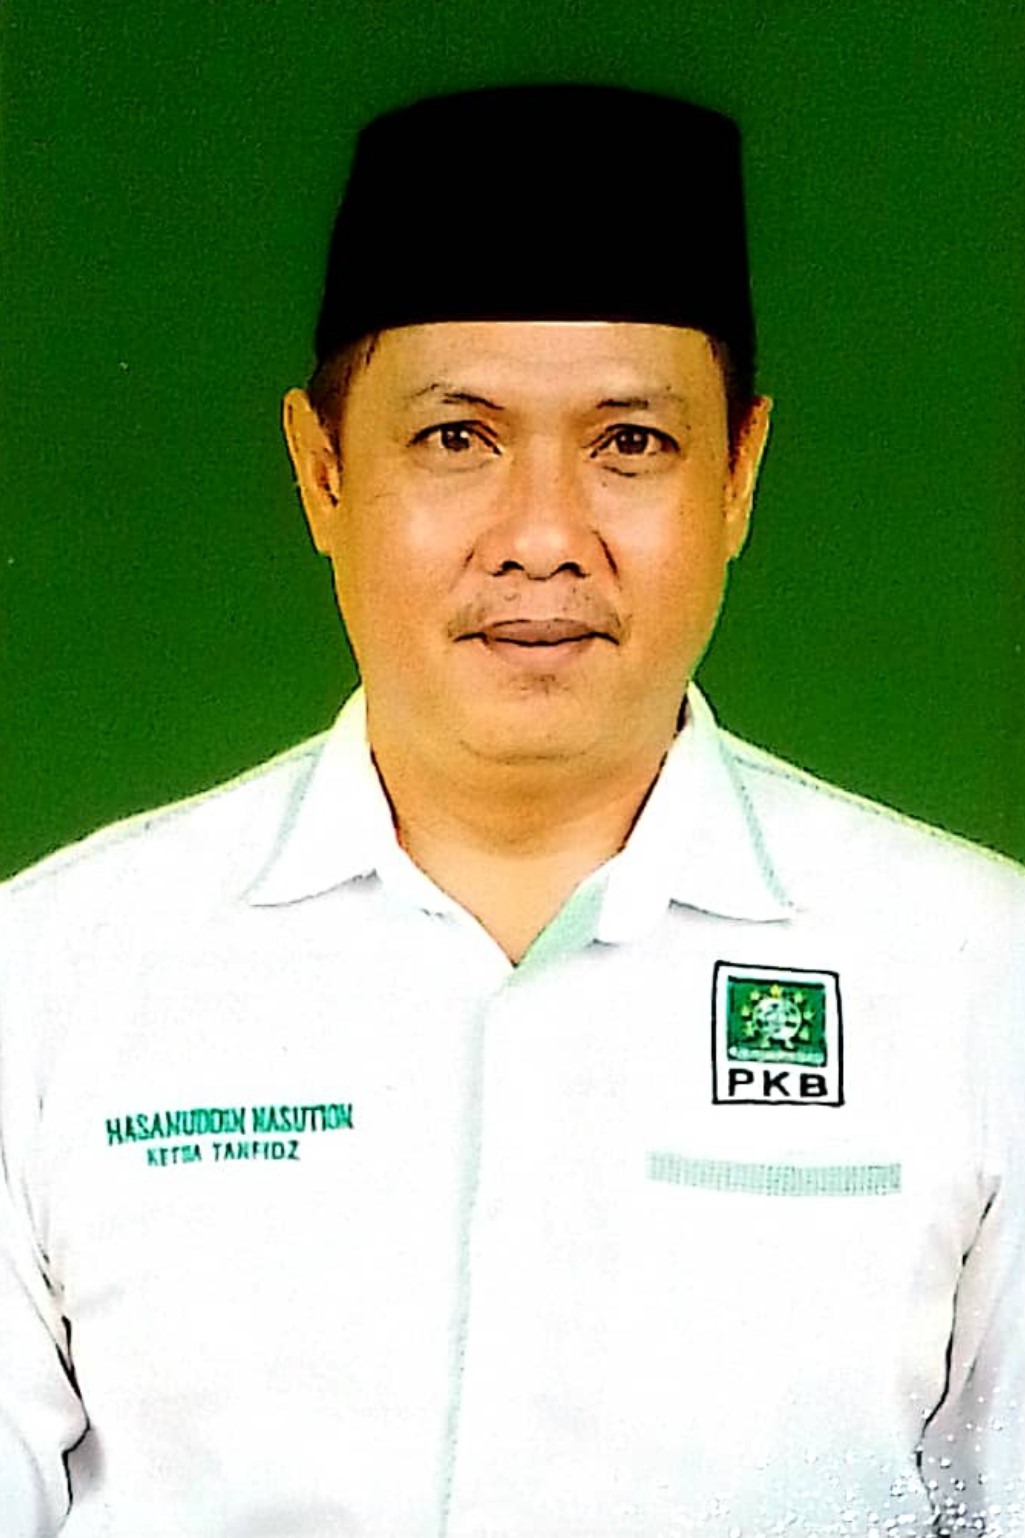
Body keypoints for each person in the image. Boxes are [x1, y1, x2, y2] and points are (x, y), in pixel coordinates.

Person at [0, 83, 1022, 1538]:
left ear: (738, 475)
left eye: (630, 444)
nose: (543, 538)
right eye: (456, 438)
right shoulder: (51, 981)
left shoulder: (980, 979)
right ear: (321, 471)